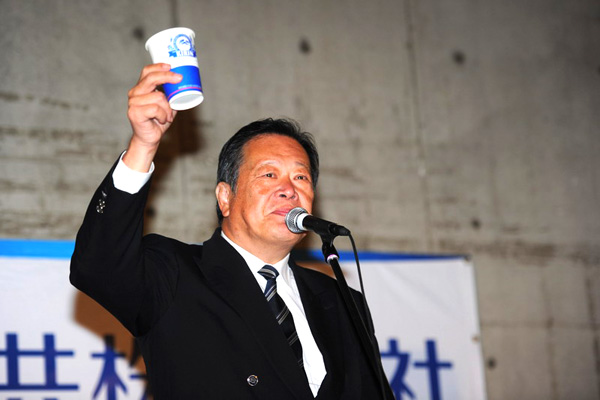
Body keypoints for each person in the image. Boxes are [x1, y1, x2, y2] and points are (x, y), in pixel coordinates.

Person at [70, 63, 393, 399]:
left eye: (301, 177)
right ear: (225, 197)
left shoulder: (342, 302)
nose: (288, 189)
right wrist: (143, 146)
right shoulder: (176, 275)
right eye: (269, 175)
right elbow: (99, 268)